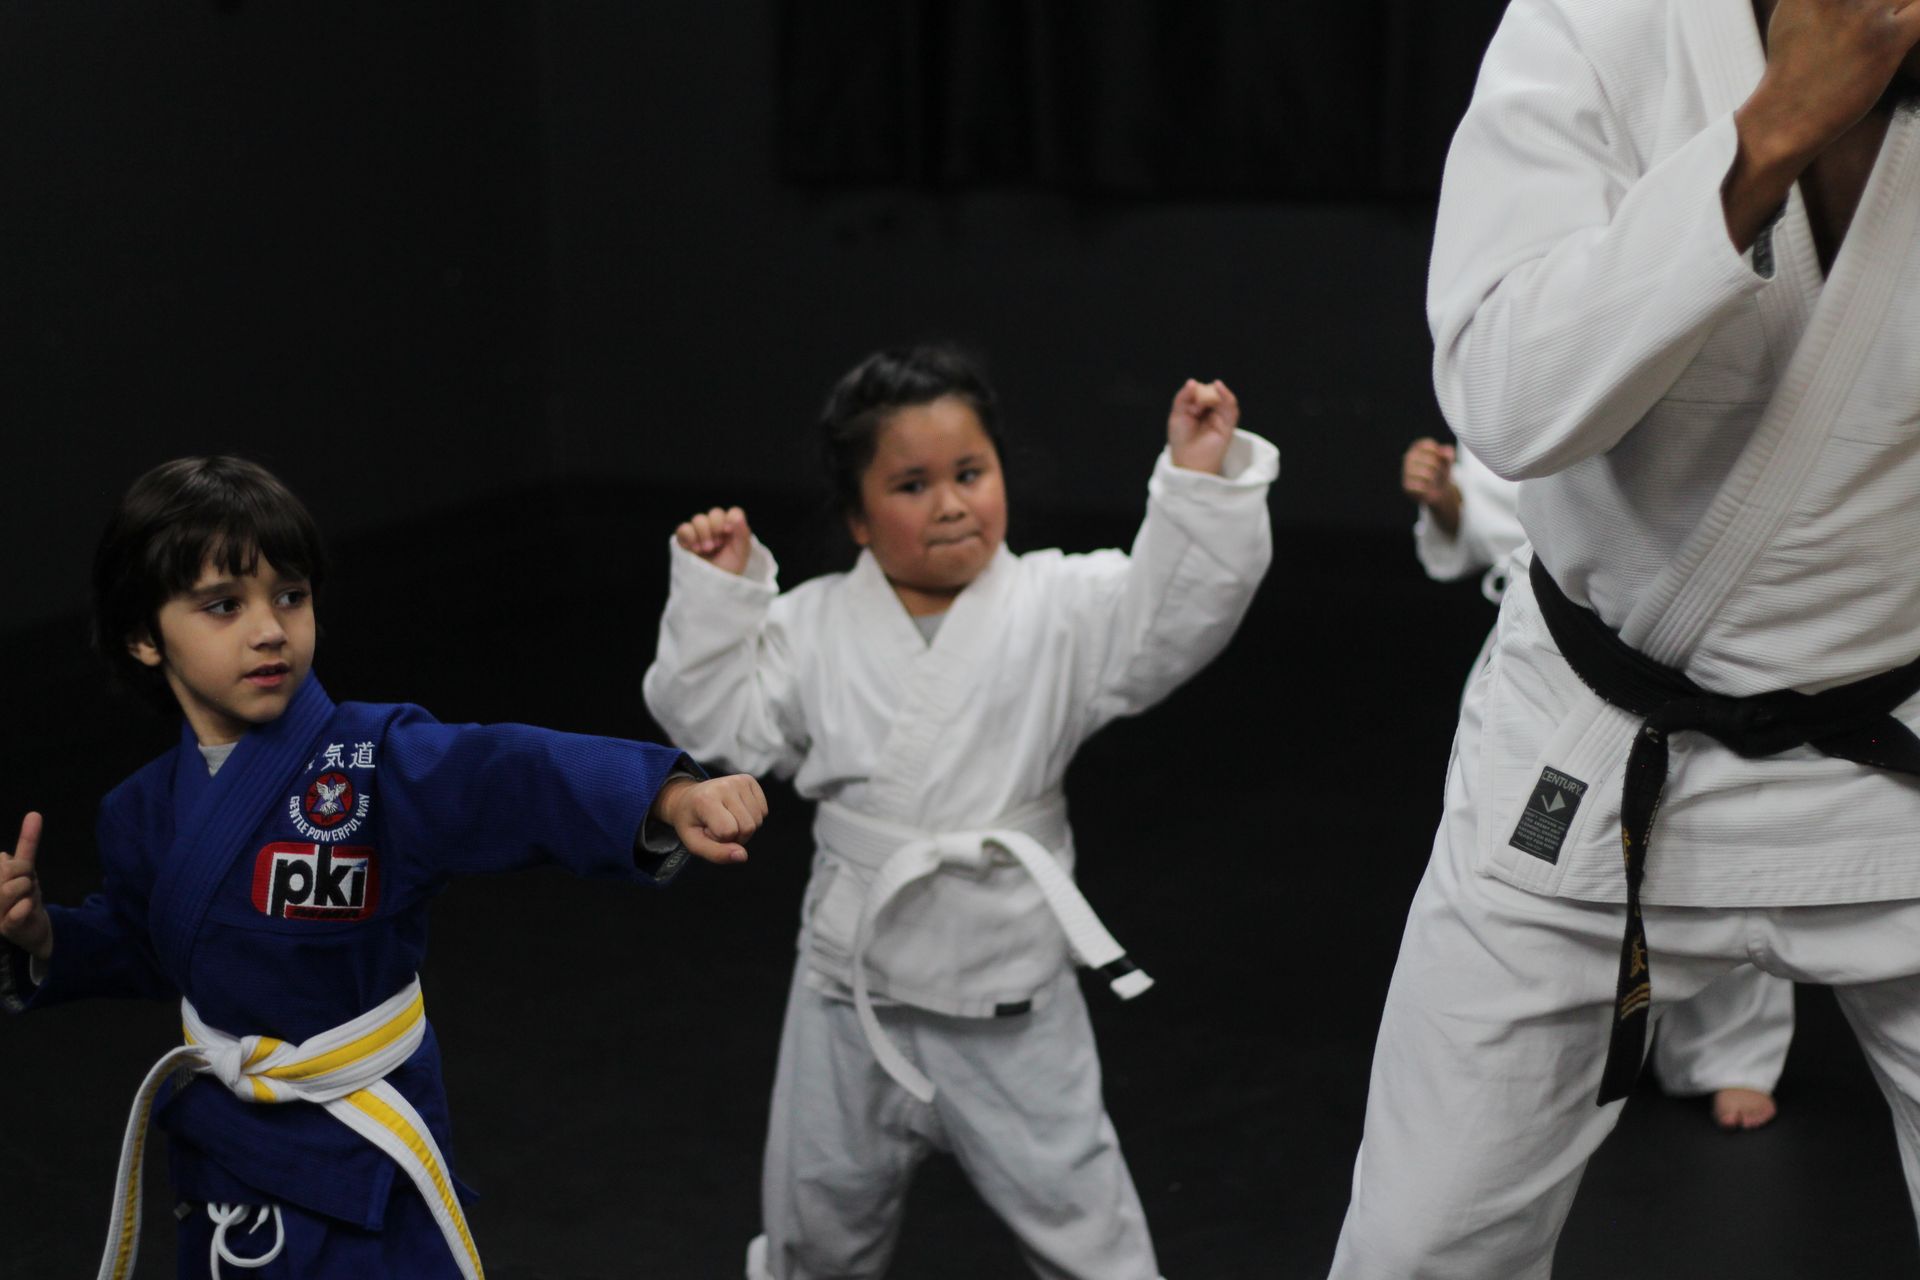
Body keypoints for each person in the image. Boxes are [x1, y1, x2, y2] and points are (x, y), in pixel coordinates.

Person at [1332, 1, 1920, 1272]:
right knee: (1417, 1248)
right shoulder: (1600, 19)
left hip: (1897, 755)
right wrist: (1767, 138)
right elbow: (1506, 399)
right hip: (1594, 742)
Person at [0, 456, 768, 1279]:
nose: (269, 629)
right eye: (224, 605)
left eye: (290, 596)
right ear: (145, 637)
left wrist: (663, 796)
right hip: (228, 1157)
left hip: (365, 1153)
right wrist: (44, 938)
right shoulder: (140, 812)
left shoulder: (372, 760)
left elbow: (507, 773)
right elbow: (152, 946)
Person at [643, 344, 1277, 1280]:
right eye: (912, 485)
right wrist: (720, 599)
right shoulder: (811, 625)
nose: (950, 504)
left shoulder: (1063, 605)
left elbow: (1172, 615)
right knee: (815, 1237)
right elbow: (719, 726)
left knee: (1089, 1238)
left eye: (970, 473)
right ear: (858, 517)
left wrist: (1195, 477)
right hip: (849, 993)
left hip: (1009, 992)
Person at [1400, 436, 1794, 1130]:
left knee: (1725, 854)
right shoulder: (1555, 390)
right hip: (1568, 654)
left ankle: (1729, 1052)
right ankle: (1545, 1041)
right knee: (1538, 869)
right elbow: (1508, 503)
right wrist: (1450, 503)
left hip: (1715, 645)